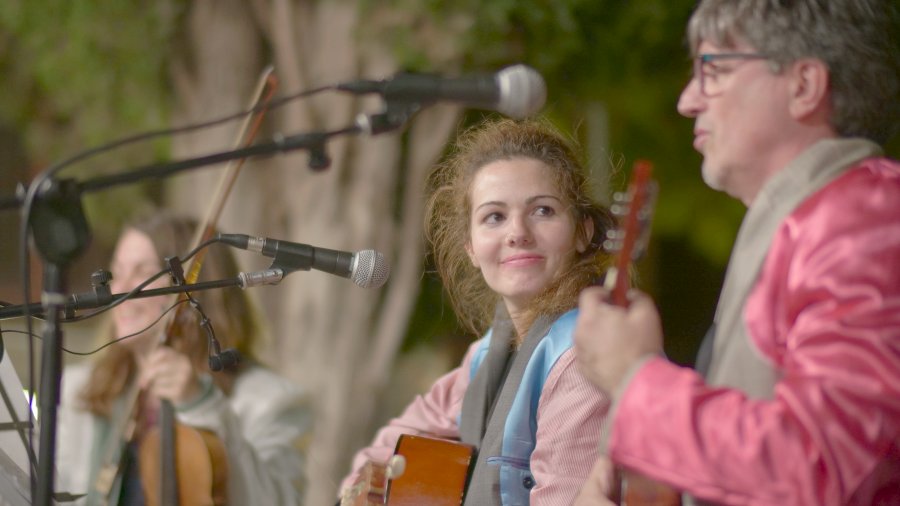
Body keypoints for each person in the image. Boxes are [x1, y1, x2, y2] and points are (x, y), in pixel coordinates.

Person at [572, 0, 900, 504]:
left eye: (714, 71)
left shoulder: (865, 220)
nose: (687, 101)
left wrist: (637, 381)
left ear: (803, 86)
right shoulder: (822, 216)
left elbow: (820, 466)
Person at [339, 118, 616, 505]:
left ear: (583, 232)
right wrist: (360, 485)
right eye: (494, 217)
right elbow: (390, 447)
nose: (517, 233)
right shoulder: (486, 356)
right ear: (470, 247)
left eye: (543, 210)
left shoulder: (581, 357)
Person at [55, 211, 312, 505]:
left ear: (195, 287)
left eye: (142, 273)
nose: (120, 290)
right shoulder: (78, 391)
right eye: (117, 272)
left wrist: (202, 405)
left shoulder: (270, 402)